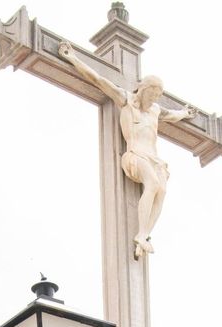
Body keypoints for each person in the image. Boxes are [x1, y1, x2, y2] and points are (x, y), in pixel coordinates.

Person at [59, 40, 193, 260]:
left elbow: (173, 116)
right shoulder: (125, 100)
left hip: (154, 158)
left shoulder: (155, 111)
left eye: (157, 97)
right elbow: (97, 79)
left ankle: (144, 234)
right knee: (152, 183)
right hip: (134, 156)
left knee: (162, 190)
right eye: (152, 95)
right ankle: (142, 234)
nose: (154, 100)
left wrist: (185, 113)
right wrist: (72, 57)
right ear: (143, 89)